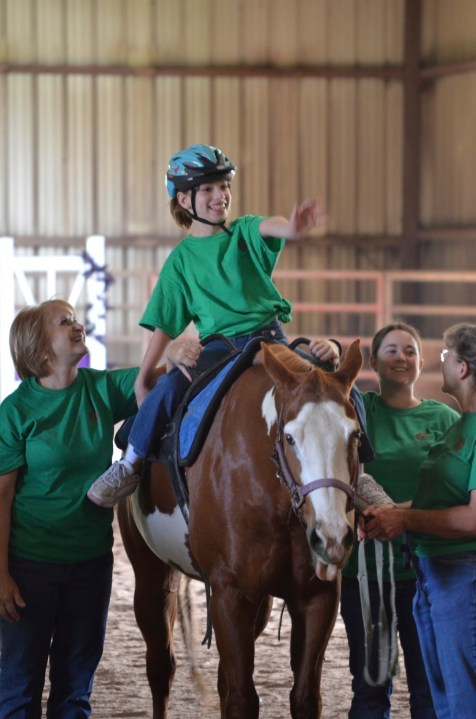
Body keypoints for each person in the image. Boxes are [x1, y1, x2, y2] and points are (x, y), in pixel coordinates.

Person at [87, 142, 336, 508]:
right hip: (221, 347)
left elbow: (275, 226)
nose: (220, 196)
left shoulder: (245, 232)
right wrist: (143, 378)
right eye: (207, 189)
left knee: (330, 382)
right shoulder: (181, 261)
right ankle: (129, 464)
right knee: (170, 387)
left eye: (224, 187)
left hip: (271, 340)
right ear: (185, 201)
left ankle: (358, 472)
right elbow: (165, 323)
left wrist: (295, 227)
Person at [0, 299, 140, 718]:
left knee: (75, 692)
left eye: (76, 318)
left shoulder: (102, 389)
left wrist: (171, 349)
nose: (78, 325)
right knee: (19, 689)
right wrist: (0, 574)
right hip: (29, 568)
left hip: (91, 564)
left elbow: (158, 379)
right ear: (42, 349)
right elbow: (1, 498)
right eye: (65, 322)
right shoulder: (15, 412)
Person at [340, 322, 459, 719]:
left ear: (422, 363)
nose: (401, 357)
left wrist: (400, 514)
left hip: (428, 573)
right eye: (391, 350)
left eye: (409, 351)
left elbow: (454, 491)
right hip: (367, 575)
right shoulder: (360, 412)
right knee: (370, 690)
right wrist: (326, 350)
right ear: (372, 361)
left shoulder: (444, 419)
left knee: (428, 688)